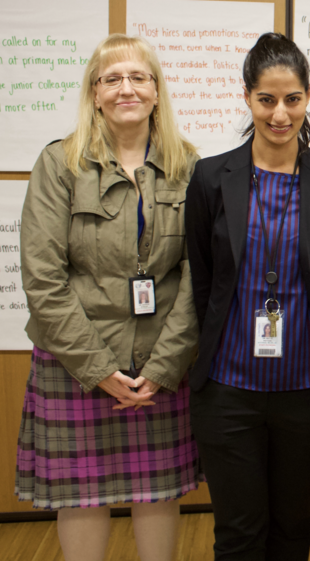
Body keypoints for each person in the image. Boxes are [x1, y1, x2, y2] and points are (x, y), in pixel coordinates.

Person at [17, 33, 201, 561]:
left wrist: (165, 366)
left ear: (156, 91)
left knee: (158, 494)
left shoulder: (187, 165)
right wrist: (97, 369)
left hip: (157, 364)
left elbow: (197, 276)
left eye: (138, 77)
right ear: (94, 93)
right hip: (76, 363)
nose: (126, 88)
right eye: (112, 78)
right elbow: (43, 279)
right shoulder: (59, 164)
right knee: (80, 498)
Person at [185, 32, 310, 560]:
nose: (280, 114)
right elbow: (201, 278)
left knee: (290, 528)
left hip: (307, 392)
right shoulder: (211, 178)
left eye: (292, 99)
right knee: (239, 533)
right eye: (267, 99)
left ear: (307, 96)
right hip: (227, 389)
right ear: (247, 96)